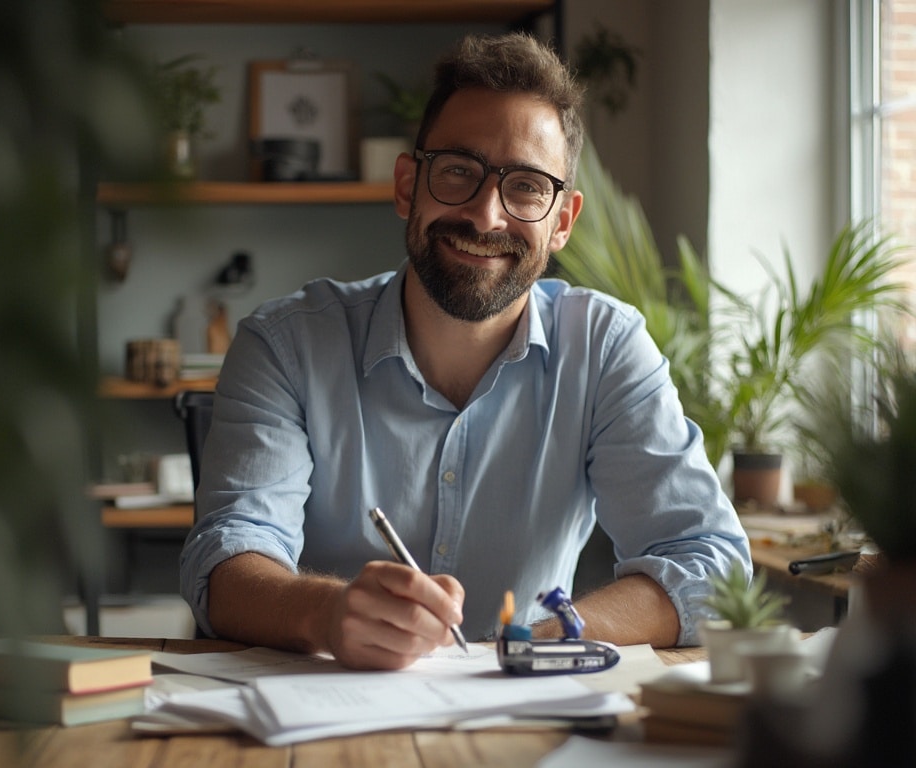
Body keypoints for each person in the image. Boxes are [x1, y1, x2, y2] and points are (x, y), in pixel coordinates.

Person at [180, 32, 751, 671]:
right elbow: (224, 563)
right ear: (407, 186)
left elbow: (709, 564)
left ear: (562, 221)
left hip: (528, 714)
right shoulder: (285, 344)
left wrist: (548, 637)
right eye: (458, 170)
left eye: (528, 188)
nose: (485, 216)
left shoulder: (606, 346)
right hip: (321, 708)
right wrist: (328, 615)